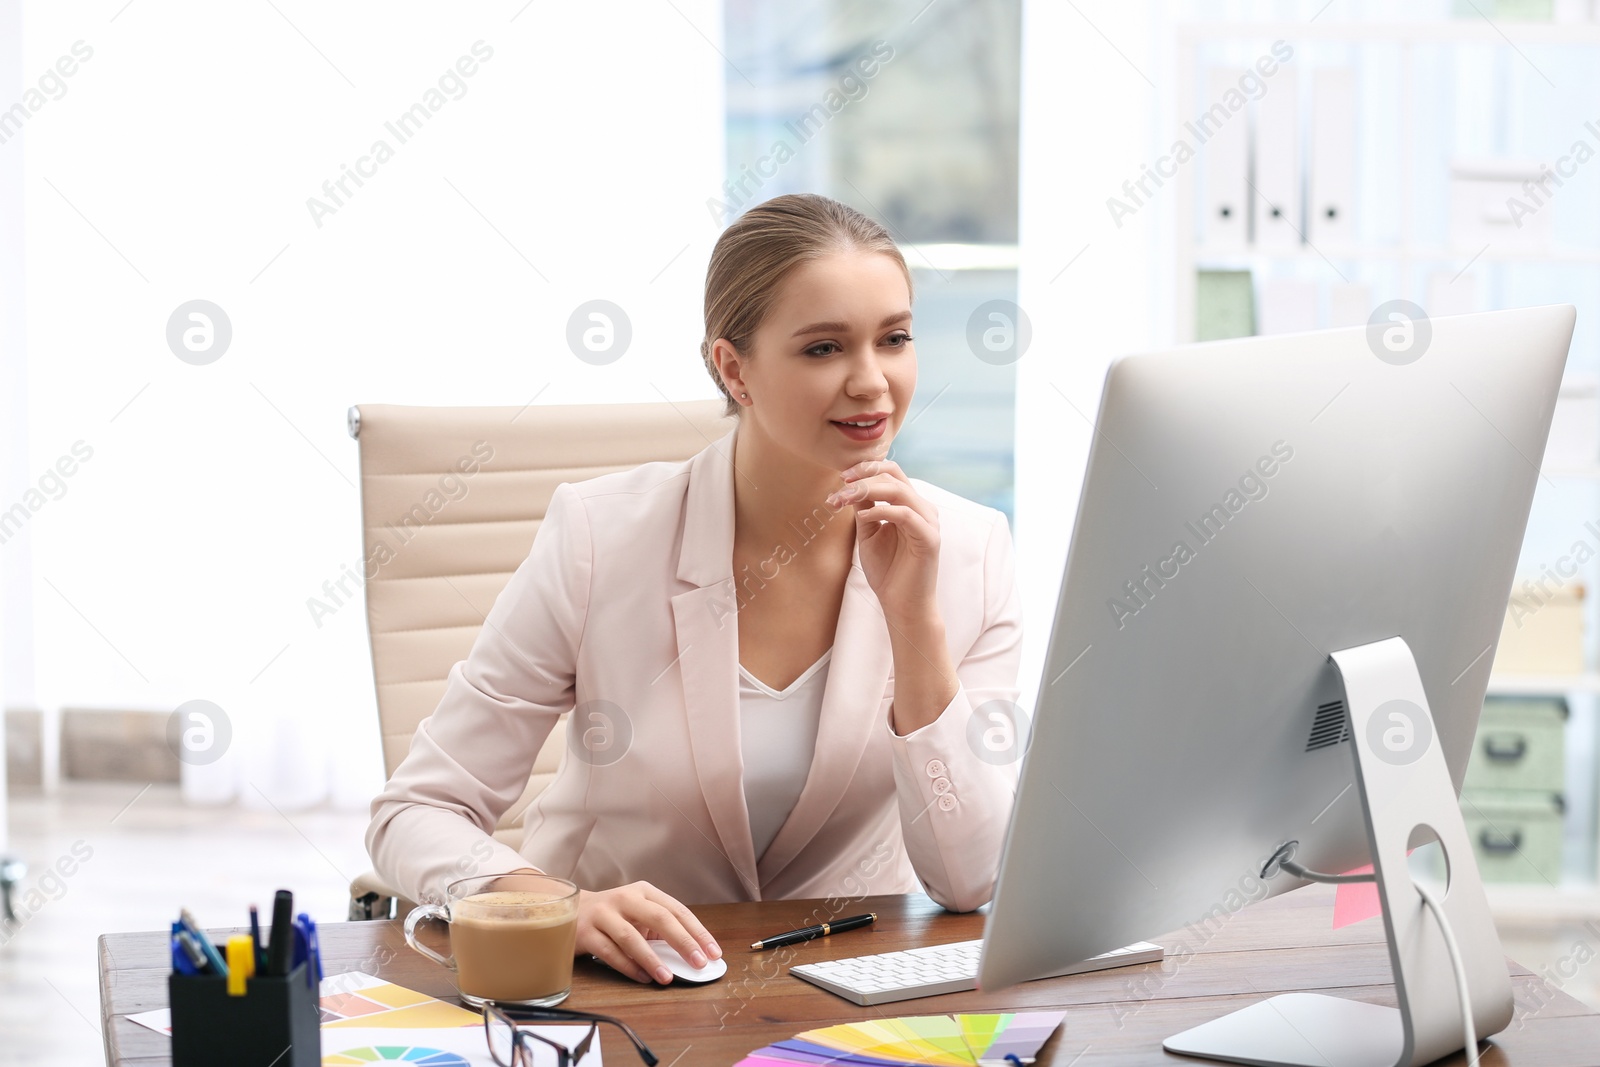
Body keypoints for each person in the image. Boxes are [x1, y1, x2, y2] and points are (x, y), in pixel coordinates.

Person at [367, 192, 1023, 988]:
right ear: (733, 368)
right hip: (620, 992)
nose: (871, 382)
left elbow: (970, 879)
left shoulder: (970, 552)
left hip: (849, 999)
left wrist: (914, 621)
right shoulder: (599, 539)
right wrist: (546, 902)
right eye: (823, 348)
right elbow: (414, 812)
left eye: (894, 339)